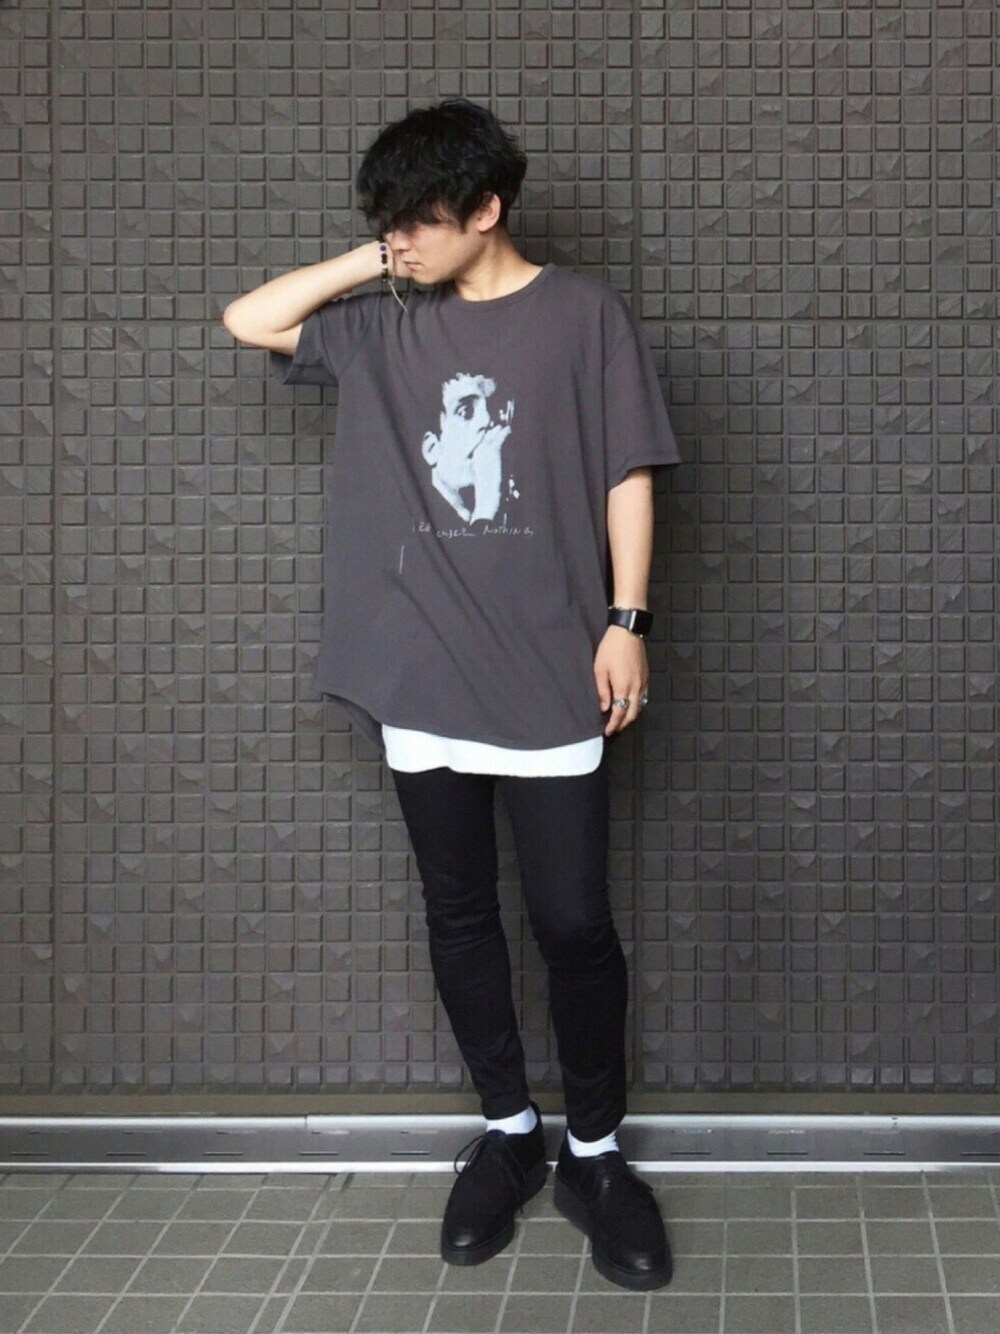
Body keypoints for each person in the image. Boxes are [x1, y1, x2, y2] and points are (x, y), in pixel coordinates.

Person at [222, 98, 682, 1291]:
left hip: (549, 664)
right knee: (459, 911)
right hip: (418, 673)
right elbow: (249, 318)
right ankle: (509, 1132)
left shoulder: (583, 315)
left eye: (419, 220)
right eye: (387, 222)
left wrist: (627, 618)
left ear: (487, 209)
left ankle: (593, 1153)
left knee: (571, 921)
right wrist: (379, 258)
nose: (400, 241)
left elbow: (627, 471)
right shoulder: (383, 321)